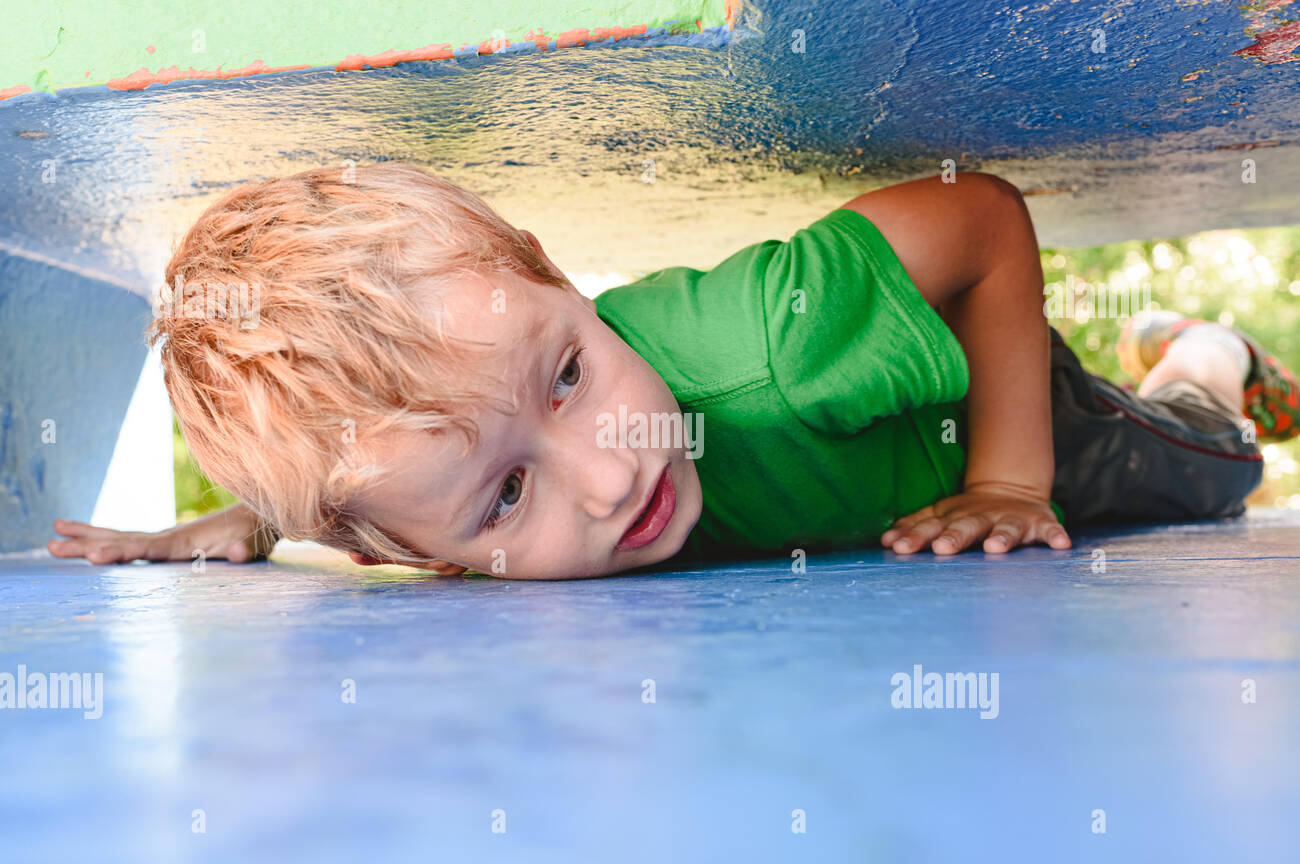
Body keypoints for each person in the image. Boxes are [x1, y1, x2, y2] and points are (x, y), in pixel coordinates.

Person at [48, 165, 1297, 579]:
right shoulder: (415, 504)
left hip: (989, 410)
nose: (602, 478)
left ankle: (1208, 355)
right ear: (413, 556)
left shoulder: (774, 344)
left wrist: (1014, 478)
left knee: (1208, 467)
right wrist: (245, 523)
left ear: (555, 275)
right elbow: (371, 500)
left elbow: (981, 218)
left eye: (571, 378)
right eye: (504, 500)